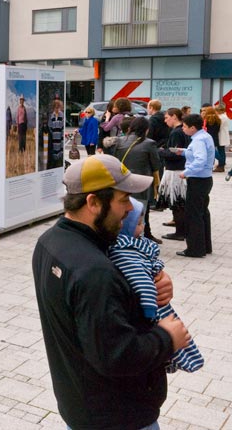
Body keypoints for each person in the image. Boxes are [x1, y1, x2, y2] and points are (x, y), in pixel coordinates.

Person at [33, 154, 190, 430]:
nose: (130, 208)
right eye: (122, 200)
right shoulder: (94, 272)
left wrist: (151, 285)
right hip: (118, 417)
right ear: (93, 202)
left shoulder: (50, 242)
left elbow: (92, 318)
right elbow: (118, 355)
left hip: (82, 404)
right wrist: (167, 337)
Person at [109, 197, 204, 373]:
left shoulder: (134, 245)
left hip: (154, 301)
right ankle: (183, 361)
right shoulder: (126, 253)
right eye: (138, 224)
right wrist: (150, 309)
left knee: (175, 339)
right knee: (173, 340)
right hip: (153, 307)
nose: (143, 227)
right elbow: (141, 281)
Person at [110, 116, 161, 243]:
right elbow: (156, 165)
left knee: (121, 213)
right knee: (139, 215)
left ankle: (121, 239)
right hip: (141, 183)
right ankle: (138, 243)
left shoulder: (119, 141)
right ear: (146, 129)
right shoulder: (149, 143)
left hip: (121, 183)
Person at [176, 114, 215, 258]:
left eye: (185, 127)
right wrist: (184, 152)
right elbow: (201, 155)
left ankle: (195, 249)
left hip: (197, 180)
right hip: (205, 179)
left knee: (193, 215)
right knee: (202, 212)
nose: (183, 129)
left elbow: (200, 160)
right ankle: (205, 246)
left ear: (192, 128)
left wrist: (186, 172)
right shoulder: (205, 136)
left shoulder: (198, 140)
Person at [159, 108, 190, 241]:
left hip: (175, 171)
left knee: (177, 202)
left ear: (174, 117)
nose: (165, 121)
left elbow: (175, 153)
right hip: (179, 169)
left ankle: (180, 232)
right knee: (178, 202)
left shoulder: (177, 133)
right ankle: (181, 230)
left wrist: (160, 152)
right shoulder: (181, 131)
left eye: (167, 118)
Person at [202, 106, 222, 172]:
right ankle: (218, 162)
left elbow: (205, 128)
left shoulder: (207, 119)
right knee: (212, 152)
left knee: (209, 152)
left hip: (208, 137)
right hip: (215, 137)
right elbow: (218, 129)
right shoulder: (218, 119)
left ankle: (218, 161)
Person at [46, 98, 64, 168]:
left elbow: (62, 127)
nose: (56, 108)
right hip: (53, 138)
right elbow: (49, 126)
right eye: (55, 106)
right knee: (53, 154)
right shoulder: (51, 115)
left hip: (60, 137)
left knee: (59, 154)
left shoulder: (61, 115)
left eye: (58, 106)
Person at [215, 105, 229, 174]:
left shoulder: (222, 117)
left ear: (219, 111)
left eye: (216, 110)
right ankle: (221, 164)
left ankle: (221, 164)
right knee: (221, 150)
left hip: (221, 135)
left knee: (220, 151)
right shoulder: (224, 116)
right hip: (222, 135)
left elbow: (218, 126)